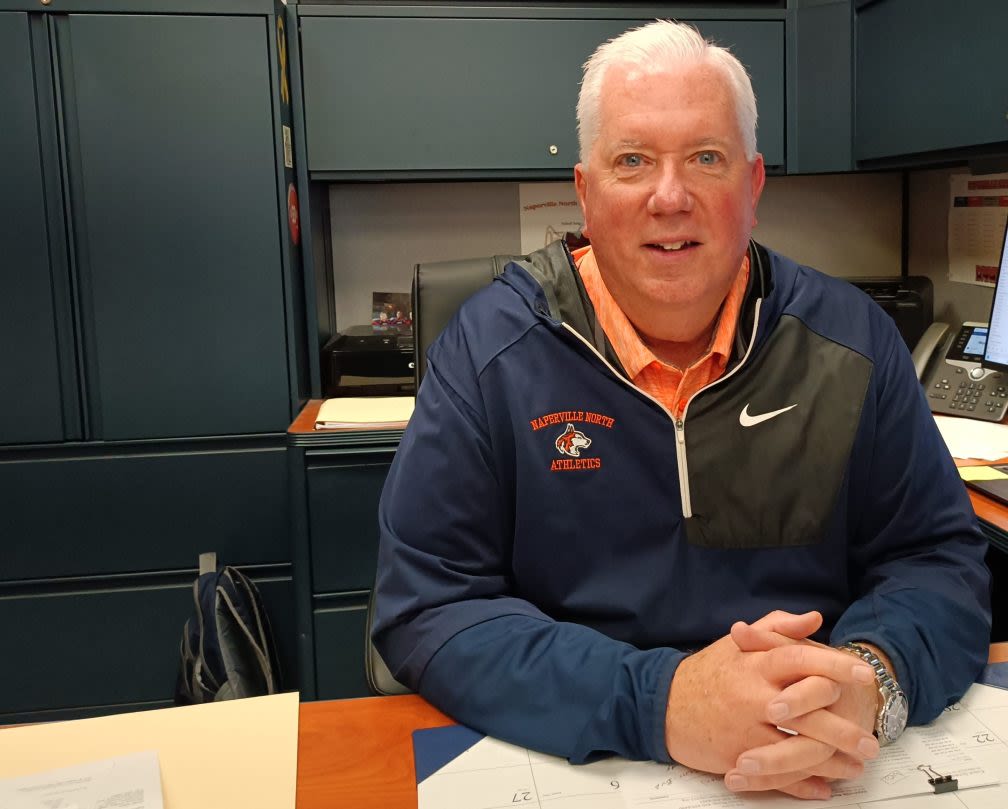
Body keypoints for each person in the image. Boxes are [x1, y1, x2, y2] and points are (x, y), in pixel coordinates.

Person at [372, 19, 991, 800]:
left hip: (818, 763)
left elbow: (938, 562)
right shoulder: (489, 355)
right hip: (575, 759)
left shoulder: (852, 343)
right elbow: (429, 606)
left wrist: (870, 679)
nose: (671, 197)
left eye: (706, 158)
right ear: (587, 192)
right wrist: (660, 702)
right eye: (633, 161)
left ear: (753, 186)